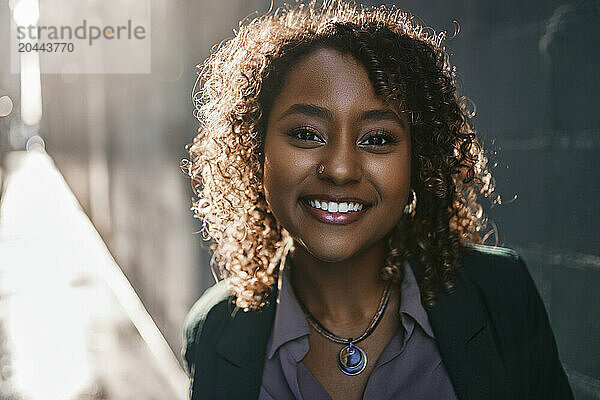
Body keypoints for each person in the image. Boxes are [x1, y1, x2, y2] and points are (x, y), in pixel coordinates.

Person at [181, 1, 573, 399]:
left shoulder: (499, 292)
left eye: (378, 139)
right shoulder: (214, 329)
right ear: (254, 149)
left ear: (418, 162)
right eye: (306, 133)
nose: (339, 169)